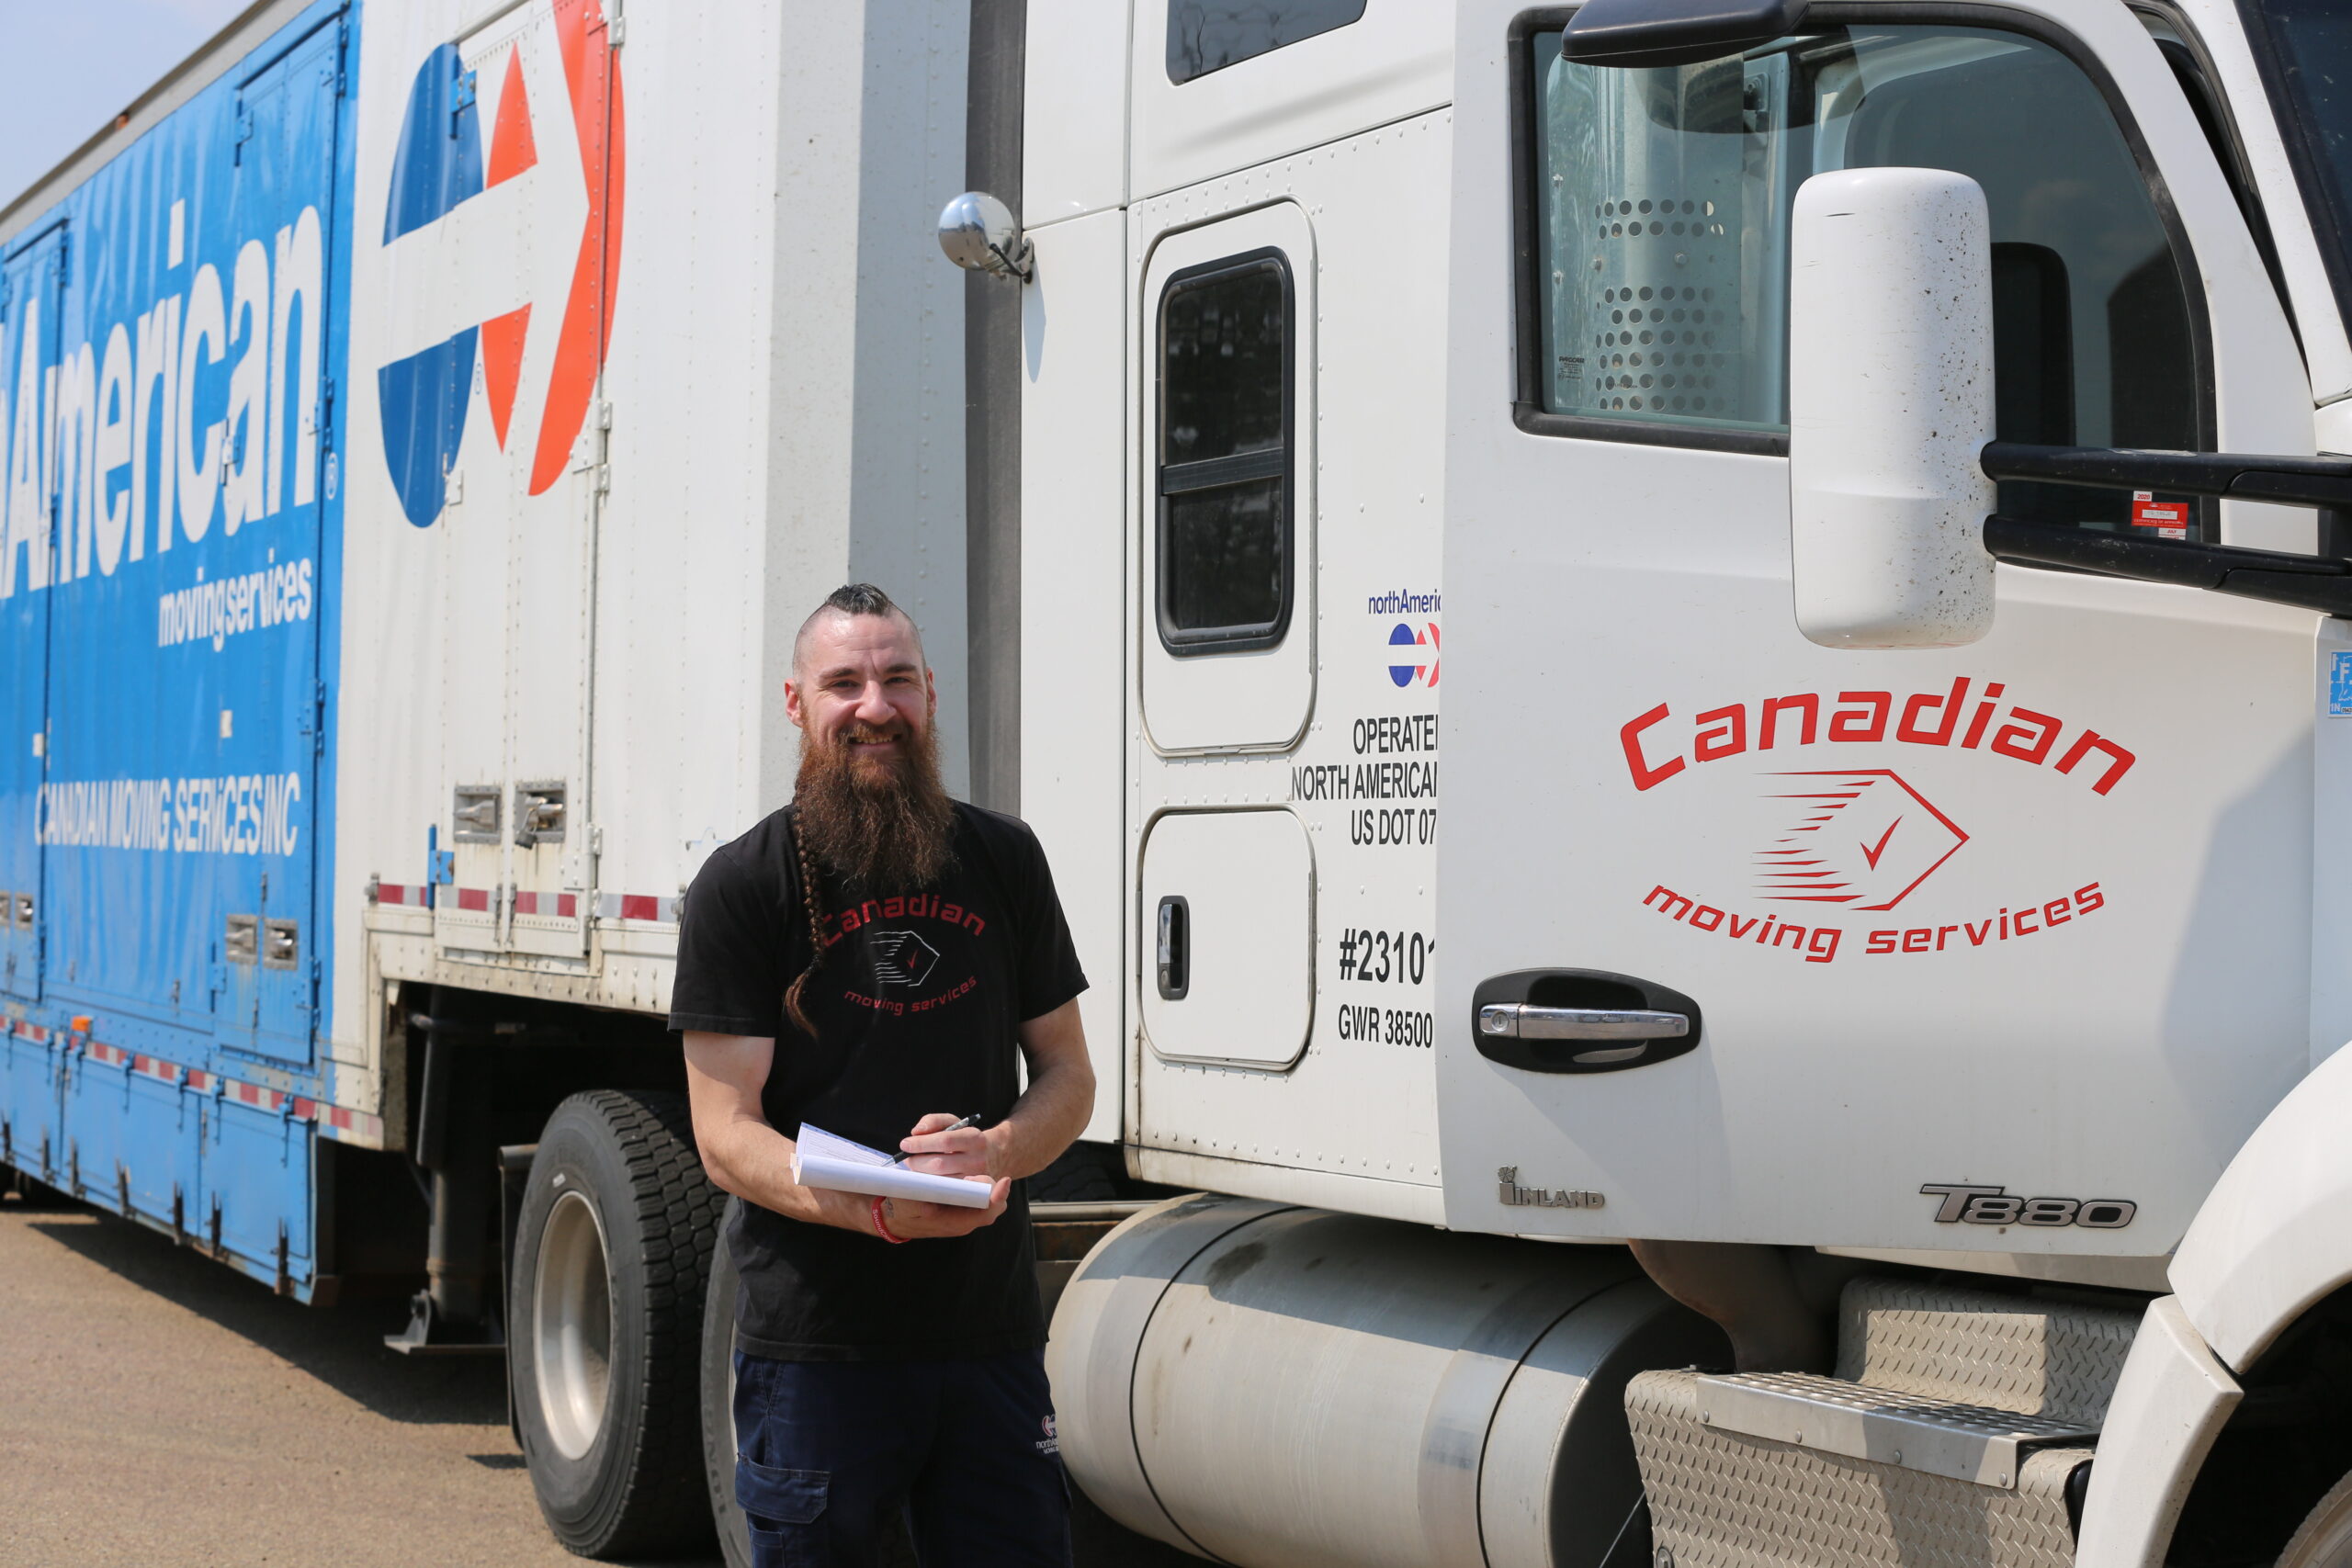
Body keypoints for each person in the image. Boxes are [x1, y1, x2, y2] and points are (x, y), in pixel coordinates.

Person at [673, 583, 1095, 1568]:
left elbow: (1070, 1076)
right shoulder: (744, 886)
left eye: (896, 679)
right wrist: (870, 1211)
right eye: (845, 683)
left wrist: (998, 1148)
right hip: (817, 1354)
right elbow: (725, 1137)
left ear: (930, 693)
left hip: (987, 1341)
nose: (875, 707)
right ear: (796, 704)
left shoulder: (1004, 858)